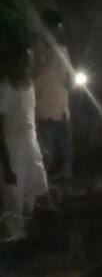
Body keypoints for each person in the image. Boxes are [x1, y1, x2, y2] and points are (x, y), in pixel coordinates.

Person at [1, 45, 49, 240]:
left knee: (36, 189)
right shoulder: (5, 88)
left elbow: (31, 117)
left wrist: (40, 144)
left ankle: (33, 235)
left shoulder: (29, 85)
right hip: (13, 146)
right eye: (26, 61)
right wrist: (6, 163)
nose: (29, 65)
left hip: (31, 142)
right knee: (14, 197)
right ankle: (15, 239)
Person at [33, 9, 73, 181]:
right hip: (44, 108)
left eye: (58, 27)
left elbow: (70, 75)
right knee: (46, 153)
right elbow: (33, 75)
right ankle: (43, 186)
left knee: (66, 153)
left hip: (62, 109)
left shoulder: (62, 50)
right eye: (52, 27)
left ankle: (64, 183)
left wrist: (70, 81)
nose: (56, 31)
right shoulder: (36, 49)